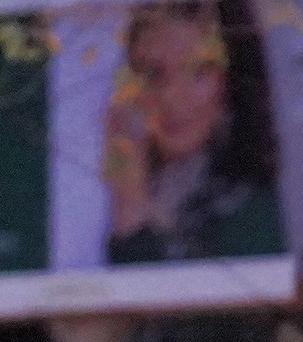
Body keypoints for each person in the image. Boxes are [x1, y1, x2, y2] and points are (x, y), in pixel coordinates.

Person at [105, 0, 286, 265]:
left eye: (199, 71)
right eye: (153, 74)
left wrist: (131, 207)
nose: (172, 97)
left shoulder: (251, 216)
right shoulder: (119, 193)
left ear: (230, 80)